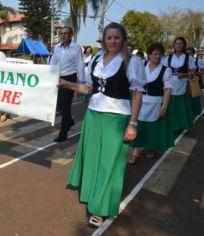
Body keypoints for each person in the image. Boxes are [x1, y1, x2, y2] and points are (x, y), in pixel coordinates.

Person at [60, 22, 145, 227]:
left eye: (116, 37)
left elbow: (137, 94)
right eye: (109, 37)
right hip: (94, 115)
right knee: (93, 159)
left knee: (110, 163)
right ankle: (91, 193)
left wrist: (132, 124)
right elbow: (89, 88)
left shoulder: (131, 61)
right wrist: (67, 84)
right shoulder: (97, 58)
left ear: (123, 39)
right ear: (104, 40)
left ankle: (101, 208)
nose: (112, 41)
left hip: (117, 118)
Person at [129, 43, 174, 164]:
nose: (158, 56)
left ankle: (150, 147)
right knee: (136, 126)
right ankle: (134, 151)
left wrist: (164, 106)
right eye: (155, 53)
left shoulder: (166, 70)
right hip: (140, 101)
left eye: (160, 54)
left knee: (153, 128)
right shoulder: (142, 66)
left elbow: (168, 89)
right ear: (149, 55)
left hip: (155, 102)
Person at [50, 26, 85, 142]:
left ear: (71, 35)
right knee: (60, 104)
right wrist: (49, 76)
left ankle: (63, 133)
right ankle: (69, 121)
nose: (63, 35)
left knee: (65, 106)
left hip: (70, 78)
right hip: (58, 78)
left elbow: (80, 64)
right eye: (61, 33)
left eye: (66, 33)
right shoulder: (57, 48)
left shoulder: (76, 47)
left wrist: (81, 84)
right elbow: (53, 62)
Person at [162, 37, 196, 132]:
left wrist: (184, 74)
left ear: (184, 45)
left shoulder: (188, 57)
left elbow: (193, 72)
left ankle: (179, 126)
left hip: (182, 85)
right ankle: (170, 125)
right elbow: (163, 70)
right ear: (174, 45)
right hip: (169, 85)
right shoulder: (168, 57)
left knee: (179, 109)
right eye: (176, 43)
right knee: (169, 106)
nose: (178, 45)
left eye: (180, 43)